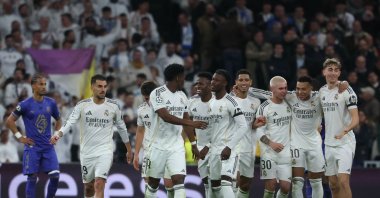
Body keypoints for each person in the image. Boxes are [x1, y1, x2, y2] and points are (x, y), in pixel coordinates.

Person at [50, 74, 133, 198]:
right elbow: (69, 122)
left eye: (105, 86)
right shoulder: (82, 105)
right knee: (89, 188)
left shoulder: (113, 106)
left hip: (105, 151)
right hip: (87, 151)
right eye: (99, 86)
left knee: (99, 183)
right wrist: (58, 134)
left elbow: (122, 128)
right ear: (92, 87)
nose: (103, 89)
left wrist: (129, 149)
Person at [144, 63, 207, 198]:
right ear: (178, 77)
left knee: (179, 181)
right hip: (157, 146)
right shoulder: (157, 93)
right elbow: (165, 116)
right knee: (153, 183)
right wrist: (191, 122)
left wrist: (193, 145)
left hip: (176, 146)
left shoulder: (182, 96)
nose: (184, 80)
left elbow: (186, 122)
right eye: (183, 76)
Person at [5, 73, 62, 198]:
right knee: (32, 178)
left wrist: (56, 135)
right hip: (32, 147)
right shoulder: (25, 104)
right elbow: (9, 121)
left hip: (48, 146)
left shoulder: (51, 103)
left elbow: (59, 120)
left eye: (45, 84)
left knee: (55, 176)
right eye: (41, 84)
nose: (44, 87)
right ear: (33, 86)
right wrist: (20, 137)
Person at [319, 58, 359, 198]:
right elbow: (318, 115)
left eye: (336, 70)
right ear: (324, 72)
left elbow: (356, 118)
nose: (333, 73)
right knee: (333, 185)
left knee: (343, 181)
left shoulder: (346, 90)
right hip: (329, 144)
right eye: (330, 70)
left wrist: (346, 130)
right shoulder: (321, 92)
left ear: (339, 73)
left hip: (345, 143)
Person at [207, 69, 248, 197]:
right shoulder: (212, 101)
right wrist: (208, 146)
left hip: (228, 150)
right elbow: (213, 129)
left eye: (216, 80)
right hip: (214, 151)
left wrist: (229, 147)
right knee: (214, 187)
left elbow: (243, 126)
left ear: (224, 83)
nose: (213, 82)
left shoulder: (231, 102)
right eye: (212, 79)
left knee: (225, 183)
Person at [132, 81, 174, 197]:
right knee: (149, 182)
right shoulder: (141, 109)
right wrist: (136, 154)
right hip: (149, 150)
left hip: (167, 148)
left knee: (169, 183)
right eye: (145, 99)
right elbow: (140, 131)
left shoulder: (168, 105)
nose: (148, 101)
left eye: (150, 98)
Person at [256, 76, 292, 198]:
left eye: (285, 88)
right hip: (269, 153)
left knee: (285, 188)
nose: (284, 91)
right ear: (272, 89)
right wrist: (271, 143)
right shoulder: (264, 107)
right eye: (280, 88)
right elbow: (258, 131)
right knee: (270, 185)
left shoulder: (289, 103)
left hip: (286, 152)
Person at [232, 69, 264, 198]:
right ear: (236, 82)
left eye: (246, 80)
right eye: (240, 80)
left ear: (251, 82)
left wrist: (256, 124)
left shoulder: (256, 102)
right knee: (234, 180)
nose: (243, 82)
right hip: (233, 146)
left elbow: (253, 124)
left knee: (245, 185)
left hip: (249, 146)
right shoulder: (230, 100)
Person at [188, 72, 214, 198]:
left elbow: (224, 129)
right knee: (206, 182)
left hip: (218, 146)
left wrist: (208, 146)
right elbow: (185, 122)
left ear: (210, 85)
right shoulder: (192, 102)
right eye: (197, 83)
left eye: (201, 84)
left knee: (218, 182)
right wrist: (194, 144)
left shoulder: (218, 102)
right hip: (200, 146)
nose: (197, 86)